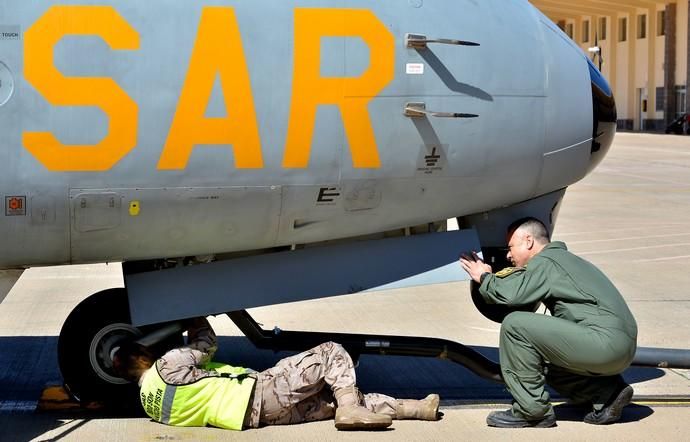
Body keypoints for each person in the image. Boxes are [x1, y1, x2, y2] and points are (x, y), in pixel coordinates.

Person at [459, 217, 637, 428]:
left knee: (516, 325)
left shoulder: (546, 262)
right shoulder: (564, 260)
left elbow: (512, 295)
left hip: (604, 343)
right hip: (620, 347)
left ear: (528, 241)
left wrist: (485, 277)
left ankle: (532, 411)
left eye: (510, 247)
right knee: (536, 360)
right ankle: (607, 393)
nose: (508, 255)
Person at [113, 317, 440, 431]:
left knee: (338, 399)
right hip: (261, 392)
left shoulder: (150, 403)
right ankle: (352, 410)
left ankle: (418, 409)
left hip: (258, 417)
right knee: (329, 353)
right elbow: (206, 344)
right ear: (144, 355)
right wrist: (193, 318)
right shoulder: (167, 366)